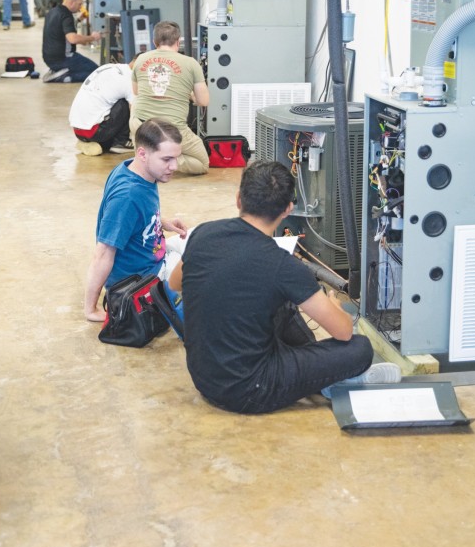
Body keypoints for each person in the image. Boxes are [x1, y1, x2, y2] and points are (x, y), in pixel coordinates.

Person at [168, 161, 400, 414]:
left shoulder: (204, 233)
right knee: (360, 349)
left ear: (238, 199)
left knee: (281, 300)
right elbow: (344, 332)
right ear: (288, 209)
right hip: (251, 391)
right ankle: (329, 380)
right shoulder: (283, 265)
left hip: (204, 377)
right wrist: (334, 306)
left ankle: (318, 375)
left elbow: (175, 283)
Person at [84, 118, 188, 321]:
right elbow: (103, 253)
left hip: (152, 254)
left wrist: (162, 222)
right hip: (142, 279)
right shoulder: (128, 196)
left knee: (203, 238)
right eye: (167, 159)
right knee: (208, 265)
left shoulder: (132, 169)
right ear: (142, 153)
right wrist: (90, 308)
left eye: (176, 158)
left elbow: (136, 217)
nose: (174, 166)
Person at [130, 20, 210, 175]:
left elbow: (136, 91)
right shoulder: (191, 63)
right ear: (178, 41)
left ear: (154, 42)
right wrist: (188, 94)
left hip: (141, 124)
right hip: (172, 128)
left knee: (135, 106)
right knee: (202, 164)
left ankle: (148, 155)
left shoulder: (140, 59)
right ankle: (161, 158)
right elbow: (203, 101)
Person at [69, 61, 135, 156]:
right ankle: (121, 143)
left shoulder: (109, 67)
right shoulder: (129, 80)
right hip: (94, 132)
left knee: (111, 103)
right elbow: (135, 111)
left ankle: (89, 143)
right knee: (127, 103)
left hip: (78, 130)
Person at [42, 0, 102, 83]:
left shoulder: (53, 12)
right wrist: (93, 37)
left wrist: (78, 20)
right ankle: (63, 77)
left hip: (49, 59)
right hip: (64, 58)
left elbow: (60, 29)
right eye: (79, 4)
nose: (80, 8)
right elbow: (73, 39)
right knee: (97, 73)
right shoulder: (67, 15)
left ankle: (58, 71)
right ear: (71, 2)